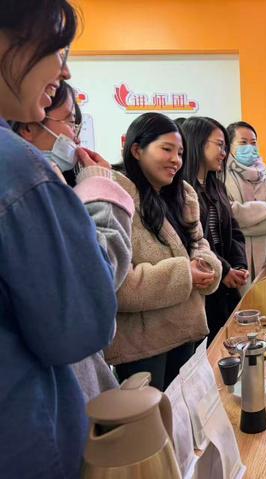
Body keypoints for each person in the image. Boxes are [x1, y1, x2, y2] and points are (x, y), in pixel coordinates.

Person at [0, 2, 120, 476]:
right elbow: (82, 322)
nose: (64, 70)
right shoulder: (20, 172)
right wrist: (101, 198)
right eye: (57, 48)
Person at [12, 80, 133, 401]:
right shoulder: (29, 186)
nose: (76, 136)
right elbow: (94, 280)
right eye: (69, 121)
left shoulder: (48, 180)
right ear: (28, 125)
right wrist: (102, 191)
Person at [107, 113, 222, 391]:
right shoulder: (115, 199)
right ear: (137, 150)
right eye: (166, 149)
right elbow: (119, 284)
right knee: (151, 414)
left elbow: (199, 242)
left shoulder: (182, 195)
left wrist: (206, 264)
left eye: (180, 153)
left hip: (187, 329)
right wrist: (185, 274)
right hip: (143, 344)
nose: (175, 160)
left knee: (186, 409)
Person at [181, 116, 249, 343]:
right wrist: (224, 269)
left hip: (224, 284)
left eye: (225, 147)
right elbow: (190, 240)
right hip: (201, 285)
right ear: (197, 142)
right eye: (219, 145)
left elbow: (234, 231)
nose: (224, 153)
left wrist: (238, 265)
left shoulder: (217, 186)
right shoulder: (180, 189)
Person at [225, 121, 266, 280]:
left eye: (253, 143)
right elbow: (228, 214)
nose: (250, 147)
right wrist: (264, 209)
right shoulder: (220, 175)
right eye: (243, 142)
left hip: (264, 257)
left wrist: (241, 227)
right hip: (233, 260)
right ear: (229, 145)